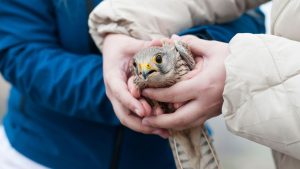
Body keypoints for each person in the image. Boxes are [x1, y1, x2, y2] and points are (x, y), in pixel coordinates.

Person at [0, 1, 263, 169]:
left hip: (169, 157)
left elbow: (248, 15)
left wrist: (189, 54)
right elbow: (21, 52)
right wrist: (132, 91)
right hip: (40, 154)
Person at [124, 1, 300, 169]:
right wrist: (116, 28)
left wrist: (233, 72)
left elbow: (252, 19)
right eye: (140, 68)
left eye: (157, 60)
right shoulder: (140, 77)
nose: (147, 69)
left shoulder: (179, 53)